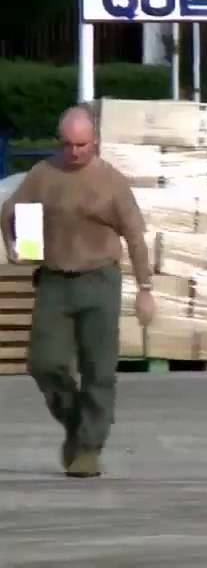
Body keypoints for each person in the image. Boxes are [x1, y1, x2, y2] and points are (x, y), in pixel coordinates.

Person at [0, 105, 156, 478]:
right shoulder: (44, 175)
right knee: (44, 363)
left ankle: (88, 449)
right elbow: (10, 209)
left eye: (82, 145)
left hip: (99, 281)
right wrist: (17, 245)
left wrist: (145, 288)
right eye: (68, 144)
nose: (74, 152)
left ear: (95, 142)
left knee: (98, 370)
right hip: (55, 279)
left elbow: (135, 236)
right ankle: (77, 423)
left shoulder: (111, 182)